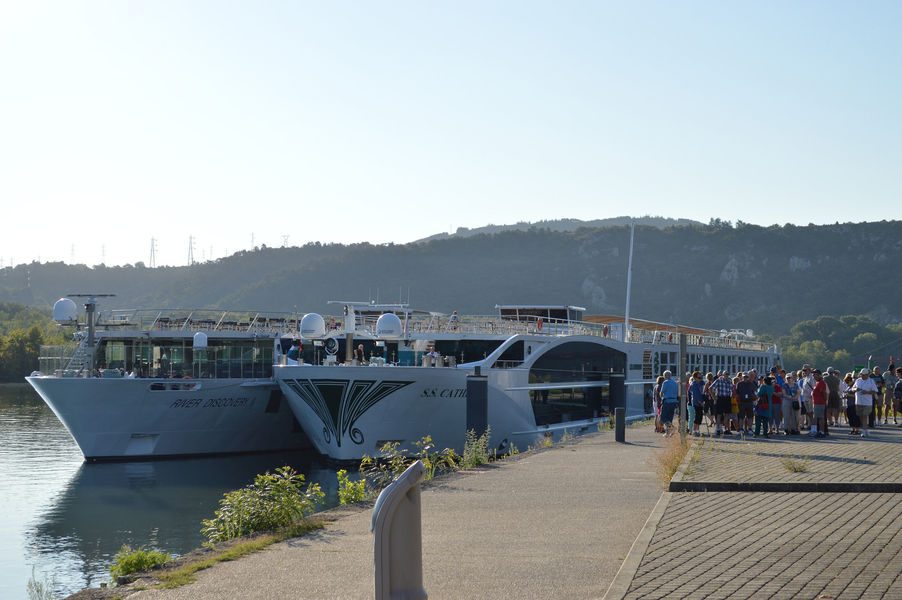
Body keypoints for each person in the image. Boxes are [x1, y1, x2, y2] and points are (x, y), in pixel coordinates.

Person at [851, 368, 878, 437]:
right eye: (861, 374)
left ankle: (864, 431)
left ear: (867, 375)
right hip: (858, 402)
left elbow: (875, 391)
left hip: (867, 403)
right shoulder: (858, 380)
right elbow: (852, 389)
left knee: (865, 416)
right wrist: (855, 389)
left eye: (864, 375)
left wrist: (867, 392)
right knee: (861, 416)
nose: (862, 376)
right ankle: (865, 430)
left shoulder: (871, 381)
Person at [712, 370, 734, 436]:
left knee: (727, 415)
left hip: (727, 398)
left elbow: (732, 389)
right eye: (725, 374)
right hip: (720, 398)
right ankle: (718, 428)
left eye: (727, 374)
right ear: (723, 374)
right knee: (719, 414)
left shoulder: (729, 381)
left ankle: (726, 429)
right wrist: (714, 397)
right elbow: (711, 388)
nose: (726, 375)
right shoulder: (718, 380)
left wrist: (732, 395)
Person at [659, 371, 680, 437]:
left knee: (663, 418)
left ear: (665, 376)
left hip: (667, 401)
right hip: (674, 401)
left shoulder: (665, 382)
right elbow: (677, 393)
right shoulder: (675, 383)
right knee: (669, 418)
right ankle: (668, 433)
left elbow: (661, 393)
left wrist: (661, 397)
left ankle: (672, 428)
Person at [810, 369, 828, 437]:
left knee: (817, 417)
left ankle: (815, 431)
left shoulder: (821, 382)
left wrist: (825, 400)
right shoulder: (817, 382)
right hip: (817, 402)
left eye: (815, 374)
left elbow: (824, 392)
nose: (813, 376)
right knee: (819, 417)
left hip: (819, 403)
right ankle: (820, 431)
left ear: (819, 375)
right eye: (813, 374)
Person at [688, 371, 706, 437]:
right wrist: (700, 402)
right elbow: (696, 395)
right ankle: (695, 430)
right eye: (699, 377)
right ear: (695, 378)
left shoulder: (701, 383)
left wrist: (703, 400)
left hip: (701, 401)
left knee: (700, 416)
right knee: (697, 416)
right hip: (696, 402)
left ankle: (697, 430)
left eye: (701, 377)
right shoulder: (694, 384)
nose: (700, 378)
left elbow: (703, 392)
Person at [880, 357, 897, 424]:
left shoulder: (896, 375)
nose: (890, 371)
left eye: (891, 370)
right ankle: (885, 419)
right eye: (889, 370)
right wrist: (885, 387)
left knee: (894, 405)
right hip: (888, 390)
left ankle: (894, 419)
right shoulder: (885, 374)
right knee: (887, 405)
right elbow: (882, 382)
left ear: (894, 369)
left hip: (895, 391)